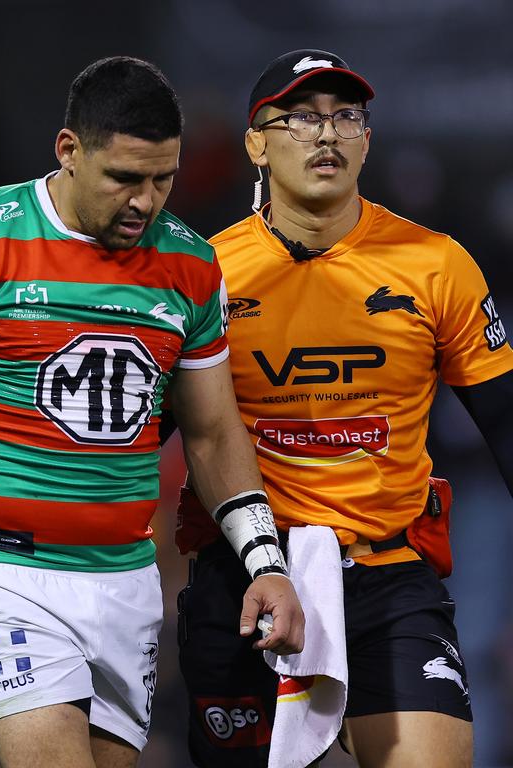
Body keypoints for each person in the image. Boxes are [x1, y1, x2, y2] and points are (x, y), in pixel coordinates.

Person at [0, 56, 304, 768]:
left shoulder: (192, 266)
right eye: (124, 178)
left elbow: (211, 433)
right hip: (4, 573)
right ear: (69, 151)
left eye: (162, 178)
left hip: (125, 581)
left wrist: (265, 560)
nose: (145, 202)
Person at [175, 49, 513, 767]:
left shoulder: (435, 264)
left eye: (346, 117)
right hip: (246, 578)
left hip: (389, 578)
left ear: (367, 139)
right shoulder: (204, 274)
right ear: (256, 143)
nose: (326, 135)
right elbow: (154, 432)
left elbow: (505, 422)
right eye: (300, 118)